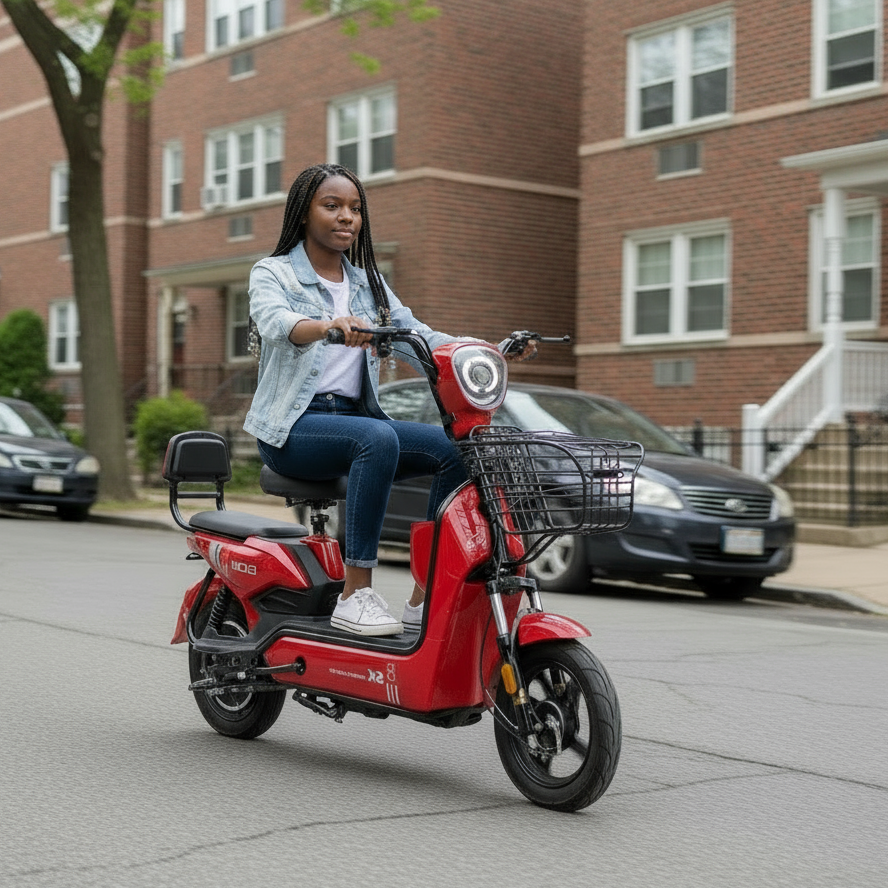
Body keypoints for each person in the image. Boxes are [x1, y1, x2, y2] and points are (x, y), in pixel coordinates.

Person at [245, 163, 530, 637]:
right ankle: (355, 595)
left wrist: (490, 350)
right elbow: (275, 323)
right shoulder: (273, 272)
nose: (346, 218)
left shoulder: (368, 284)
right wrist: (326, 327)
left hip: (354, 423)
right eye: (331, 206)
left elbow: (420, 338)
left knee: (458, 450)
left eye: (355, 209)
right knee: (375, 438)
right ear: (302, 214)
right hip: (292, 429)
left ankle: (426, 592)